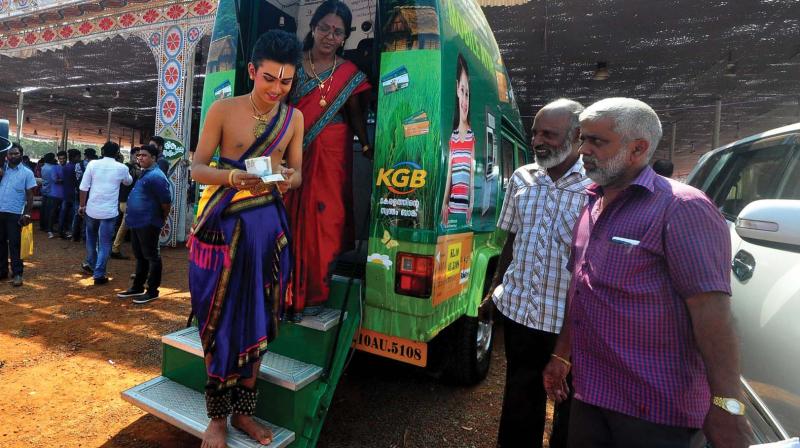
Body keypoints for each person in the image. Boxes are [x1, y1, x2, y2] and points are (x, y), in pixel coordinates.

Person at [542, 98, 751, 448]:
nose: (583, 151)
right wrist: (562, 356)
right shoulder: (592, 204)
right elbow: (582, 289)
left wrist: (727, 405)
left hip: (654, 410)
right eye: (583, 139)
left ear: (638, 148)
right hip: (593, 394)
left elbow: (712, 314)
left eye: (597, 142)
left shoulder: (682, 208)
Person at [188, 29, 303, 448]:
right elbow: (197, 167)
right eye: (269, 78)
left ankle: (243, 414)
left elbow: (298, 172)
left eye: (286, 81)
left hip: (268, 233)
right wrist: (234, 176)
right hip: (222, 229)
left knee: (257, 321)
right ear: (252, 71)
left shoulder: (294, 119)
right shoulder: (223, 109)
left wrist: (290, 178)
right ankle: (216, 420)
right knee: (219, 324)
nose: (277, 89)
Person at [485, 99, 591, 448]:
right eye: (535, 132)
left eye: (549, 133)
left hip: (568, 322)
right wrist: (496, 288)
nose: (537, 140)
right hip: (521, 314)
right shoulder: (522, 178)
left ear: (577, 136)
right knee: (519, 396)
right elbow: (511, 237)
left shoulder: (595, 187)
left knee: (569, 406)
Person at [284, 0, 371, 317]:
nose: (330, 36)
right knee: (288, 219)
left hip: (333, 150)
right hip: (293, 150)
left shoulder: (349, 73)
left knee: (325, 222)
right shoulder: (292, 64)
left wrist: (365, 144)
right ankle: (286, 292)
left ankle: (314, 295)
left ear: (345, 37)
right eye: (325, 28)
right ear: (313, 27)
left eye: (338, 32)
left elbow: (355, 114)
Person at [116, 145, 171, 304]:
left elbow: (166, 202)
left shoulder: (157, 176)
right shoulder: (145, 173)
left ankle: (152, 290)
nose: (140, 158)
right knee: (140, 256)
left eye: (144, 155)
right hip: (137, 221)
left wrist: (162, 219)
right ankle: (137, 287)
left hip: (149, 222)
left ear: (153, 158)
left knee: (152, 257)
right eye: (139, 155)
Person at [78, 141, 133, 285]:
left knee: (91, 238)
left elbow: (83, 187)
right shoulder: (121, 167)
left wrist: (82, 205)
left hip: (91, 209)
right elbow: (128, 181)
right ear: (117, 153)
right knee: (105, 243)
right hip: (109, 212)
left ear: (102, 152)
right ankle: (99, 273)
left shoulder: (92, 164)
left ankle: (91, 263)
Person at [441, 54, 475, 228]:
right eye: (462, 91)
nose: (465, 100)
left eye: (468, 94)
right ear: (456, 89)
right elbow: (449, 174)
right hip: (453, 206)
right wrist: (444, 203)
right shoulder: (453, 137)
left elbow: (472, 174)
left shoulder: (472, 136)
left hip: (465, 209)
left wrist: (471, 204)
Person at [0, 144, 36, 287]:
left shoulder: (27, 173)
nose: (13, 156)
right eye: (10, 154)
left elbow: (30, 195)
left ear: (21, 154)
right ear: (6, 156)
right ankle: (2, 271)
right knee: (0, 243)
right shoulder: (2, 171)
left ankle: (17, 274)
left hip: (15, 214)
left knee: (15, 245)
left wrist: (27, 213)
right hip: (0, 212)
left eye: (15, 153)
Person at [111, 148, 140, 259]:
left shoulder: (133, 168)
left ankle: (115, 248)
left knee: (126, 225)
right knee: (125, 226)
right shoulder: (127, 168)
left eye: (140, 155)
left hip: (127, 201)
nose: (138, 157)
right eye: (137, 155)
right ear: (131, 155)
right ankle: (115, 248)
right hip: (126, 201)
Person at [57, 149, 81, 239]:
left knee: (63, 213)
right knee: (75, 214)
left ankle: (60, 231)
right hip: (74, 193)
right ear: (74, 157)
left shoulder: (66, 167)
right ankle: (73, 233)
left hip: (66, 193)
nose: (80, 158)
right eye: (79, 156)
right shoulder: (76, 167)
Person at [40, 152, 63, 237]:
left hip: (44, 190)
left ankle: (42, 225)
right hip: (51, 191)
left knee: (44, 209)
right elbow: (55, 180)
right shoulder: (53, 168)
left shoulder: (43, 167)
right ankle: (48, 227)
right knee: (51, 211)